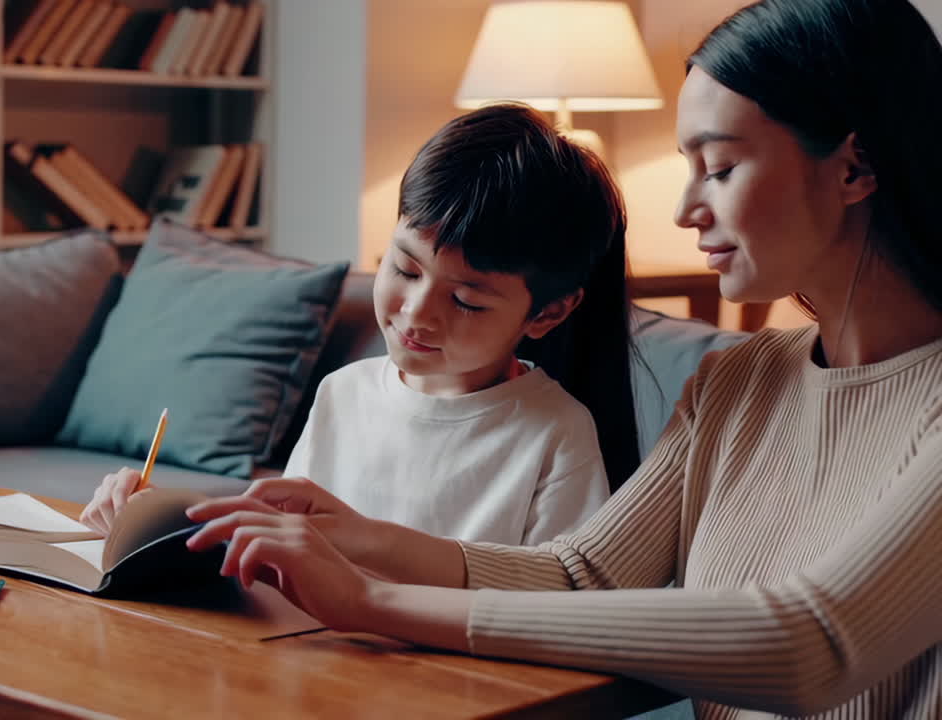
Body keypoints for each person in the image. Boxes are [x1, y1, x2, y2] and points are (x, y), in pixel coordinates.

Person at [182, 0, 942, 716]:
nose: (684, 210)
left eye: (720, 167)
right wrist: (350, 537)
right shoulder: (739, 379)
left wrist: (372, 601)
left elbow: (814, 644)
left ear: (855, 169)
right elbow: (583, 576)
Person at [81, 103, 641, 547]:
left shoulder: (555, 434)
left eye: (467, 300)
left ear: (547, 312)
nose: (418, 312)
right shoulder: (342, 394)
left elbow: (550, 610)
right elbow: (278, 546)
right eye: (403, 268)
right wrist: (153, 523)